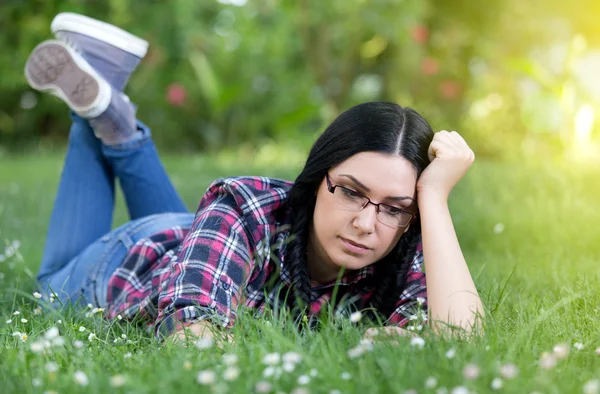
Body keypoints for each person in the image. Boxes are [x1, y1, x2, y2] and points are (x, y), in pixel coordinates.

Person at [26, 13, 483, 342]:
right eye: (350, 192)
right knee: (47, 288)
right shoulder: (246, 207)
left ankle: (114, 115)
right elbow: (194, 336)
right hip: (134, 261)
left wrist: (435, 199)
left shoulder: (403, 233)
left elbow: (462, 337)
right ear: (318, 175)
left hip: (197, 237)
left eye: (394, 207)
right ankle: (97, 113)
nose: (367, 224)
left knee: (196, 236)